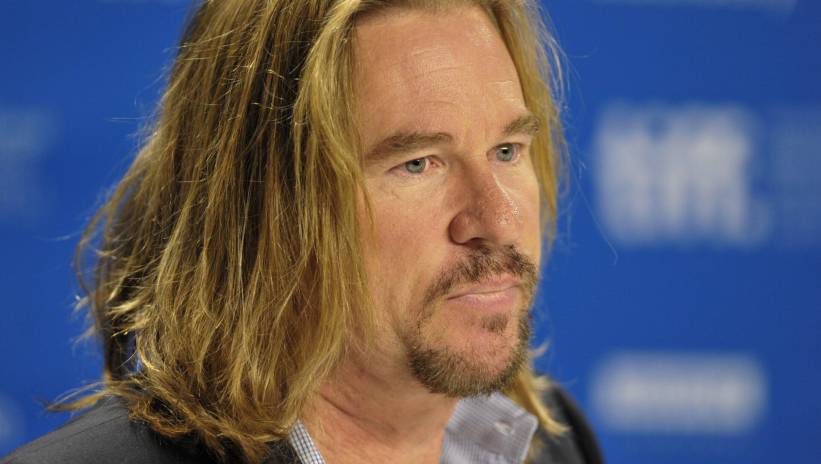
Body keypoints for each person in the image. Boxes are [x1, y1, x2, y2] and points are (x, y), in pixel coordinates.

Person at [2, 0, 602, 463]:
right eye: (418, 163)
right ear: (265, 204)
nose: (498, 220)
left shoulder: (554, 442)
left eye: (507, 149)